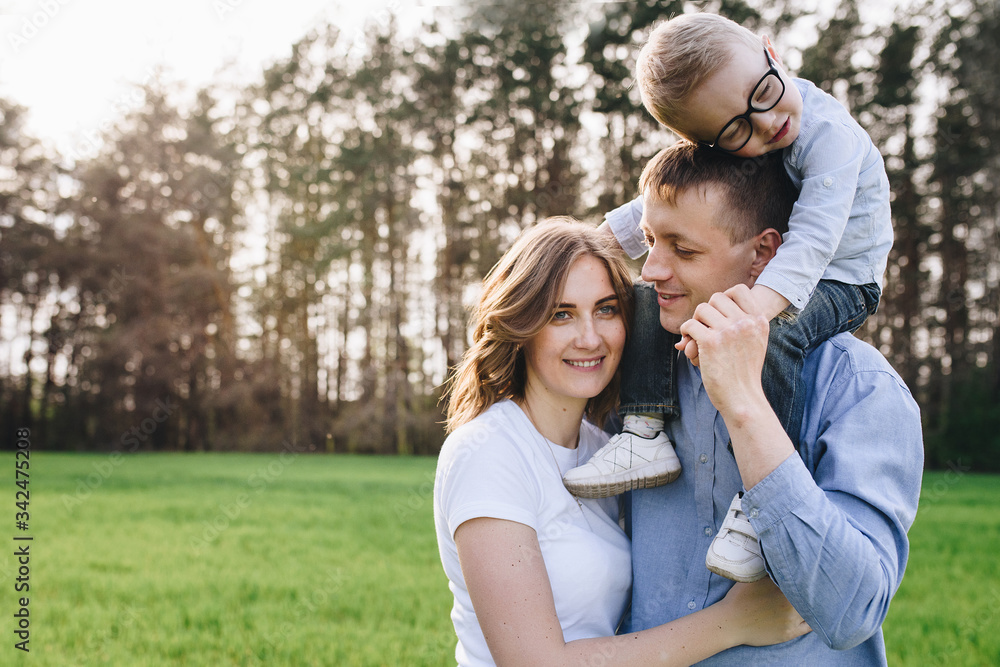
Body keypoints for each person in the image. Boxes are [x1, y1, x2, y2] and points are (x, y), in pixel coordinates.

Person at [563, 11, 893, 583]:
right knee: (646, 295)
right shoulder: (743, 129)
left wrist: (755, 313)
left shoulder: (828, 137)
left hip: (843, 277)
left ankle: (759, 503)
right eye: (738, 131)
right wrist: (586, 246)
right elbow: (671, 208)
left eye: (765, 92)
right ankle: (644, 432)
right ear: (705, 139)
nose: (767, 124)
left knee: (780, 332)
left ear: (770, 51)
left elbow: (814, 241)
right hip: (784, 266)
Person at [433, 217, 809, 666]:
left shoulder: (606, 450)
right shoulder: (489, 452)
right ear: (522, 323)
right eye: (561, 314)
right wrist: (733, 623)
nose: (590, 338)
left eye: (607, 309)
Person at [605, 142, 920, 662]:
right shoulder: (634, 373)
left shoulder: (859, 388)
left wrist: (747, 406)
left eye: (683, 250)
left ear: (763, 254)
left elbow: (852, 612)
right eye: (650, 241)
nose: (651, 270)